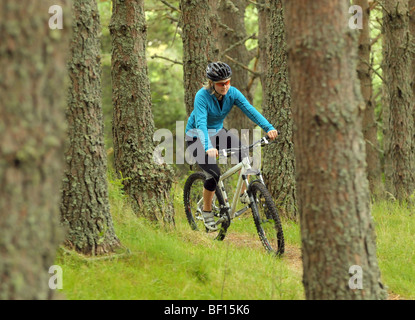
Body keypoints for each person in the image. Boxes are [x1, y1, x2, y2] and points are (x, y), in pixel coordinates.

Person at [185, 61, 278, 231]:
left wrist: (269, 127)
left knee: (245, 156)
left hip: (218, 132)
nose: (225, 86)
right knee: (213, 174)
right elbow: (201, 123)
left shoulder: (233, 93)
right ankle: (206, 211)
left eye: (228, 82)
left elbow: (250, 111)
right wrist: (207, 147)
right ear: (212, 83)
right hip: (197, 136)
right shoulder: (202, 96)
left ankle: (245, 194)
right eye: (221, 84)